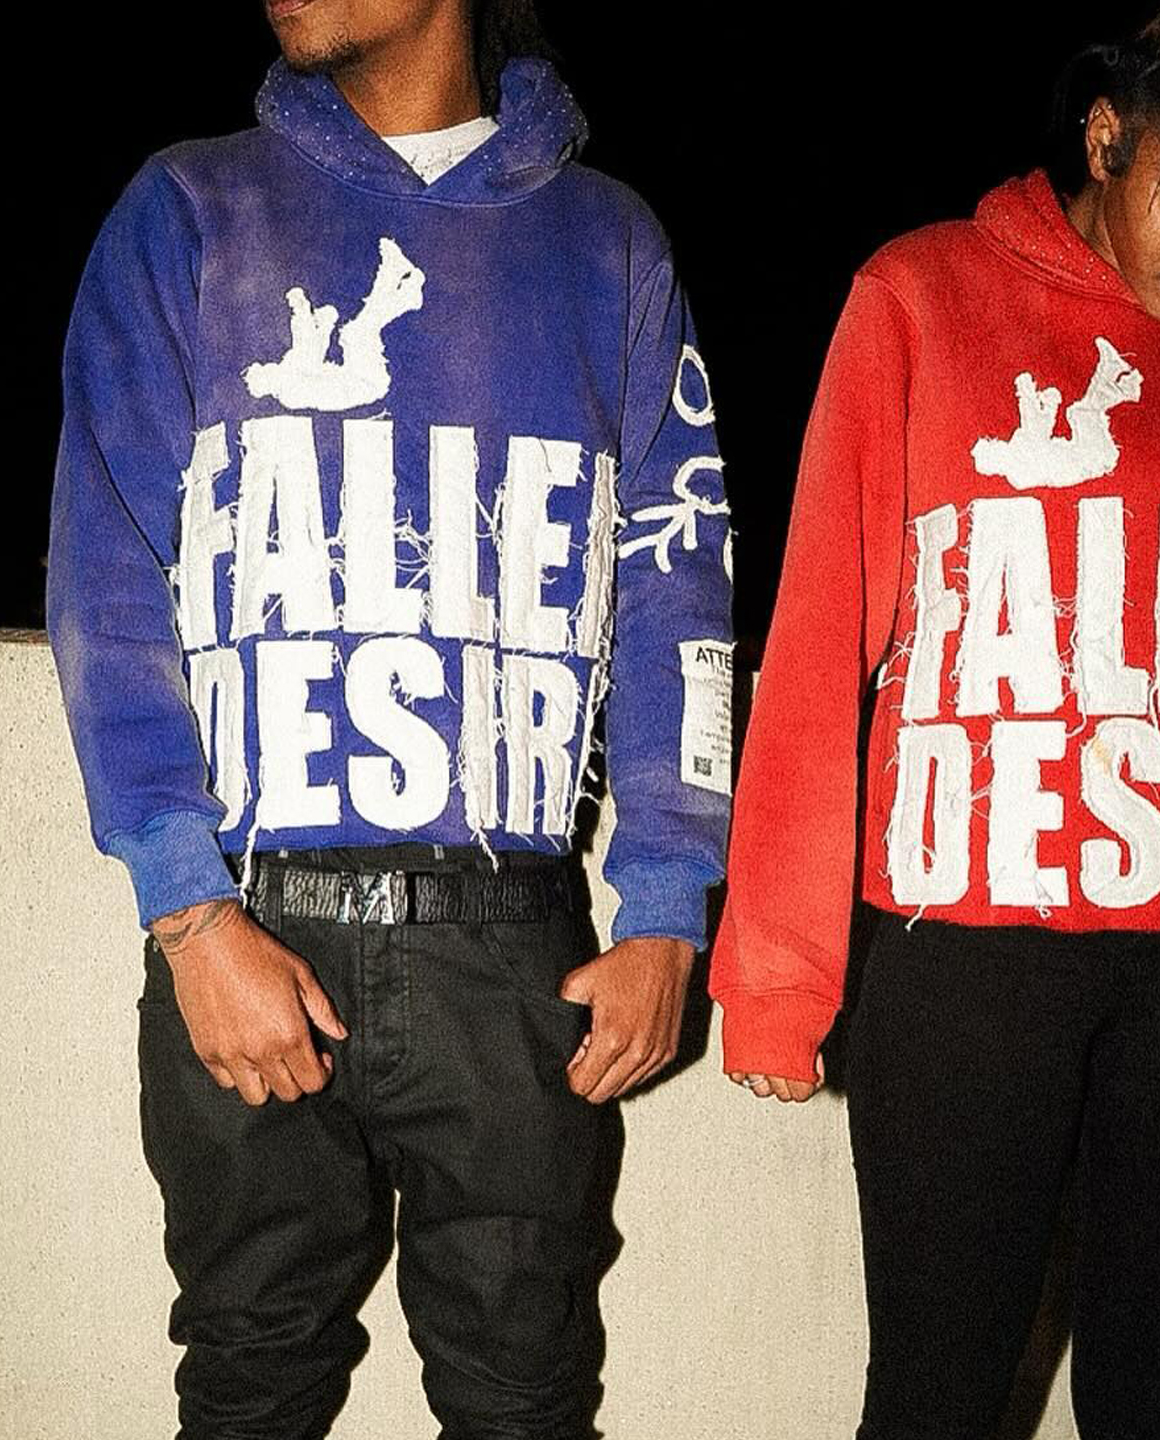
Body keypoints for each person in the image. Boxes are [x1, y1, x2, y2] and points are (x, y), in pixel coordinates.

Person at [47, 2, 733, 1435]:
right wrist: (188, 913)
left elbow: (680, 587)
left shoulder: (609, 242)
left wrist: (670, 909)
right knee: (250, 1382)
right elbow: (106, 576)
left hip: (518, 947)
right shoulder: (190, 208)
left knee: (524, 1398)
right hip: (251, 924)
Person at [710, 2, 1160, 1435]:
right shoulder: (919, 295)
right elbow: (821, 634)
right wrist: (776, 970)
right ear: (1107, 134)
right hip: (971, 952)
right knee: (940, 1395)